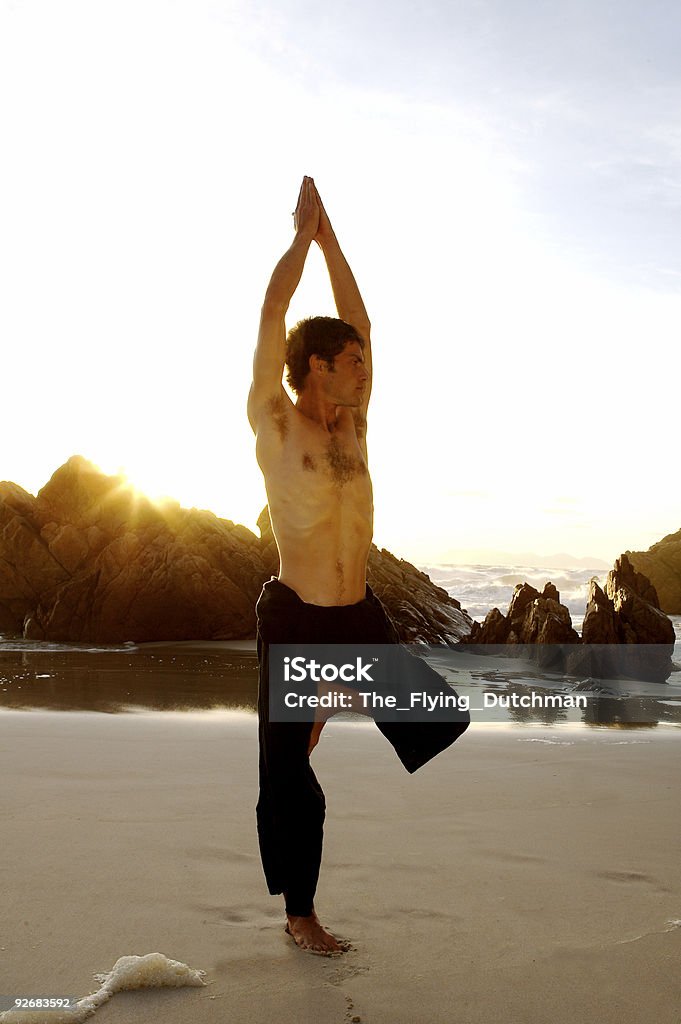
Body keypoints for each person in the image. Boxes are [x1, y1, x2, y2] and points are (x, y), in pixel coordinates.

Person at [247, 176, 469, 955]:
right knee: (287, 781)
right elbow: (274, 317)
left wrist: (334, 236)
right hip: (297, 615)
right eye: (346, 360)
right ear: (311, 367)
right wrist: (300, 241)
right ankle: (299, 915)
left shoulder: (355, 426)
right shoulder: (277, 426)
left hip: (357, 612)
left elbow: (364, 319)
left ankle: (328, 694)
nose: (362, 367)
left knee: (439, 719)